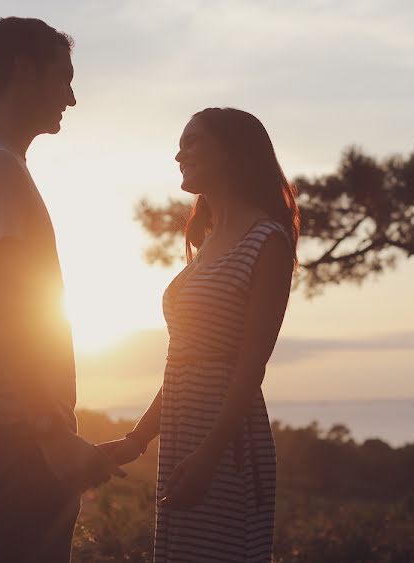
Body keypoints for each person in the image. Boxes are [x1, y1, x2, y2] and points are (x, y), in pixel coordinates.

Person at [0, 17, 121, 563]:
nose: (71, 96)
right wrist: (50, 431)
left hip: (2, 421)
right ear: (23, 70)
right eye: (63, 77)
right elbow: (7, 312)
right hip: (13, 426)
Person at [99, 107, 300, 562]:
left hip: (226, 441)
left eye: (192, 142)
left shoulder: (267, 240)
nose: (178, 154)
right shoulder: (207, 242)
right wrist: (138, 438)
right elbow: (185, 359)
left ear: (231, 153)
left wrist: (212, 453)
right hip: (182, 432)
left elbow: (251, 364)